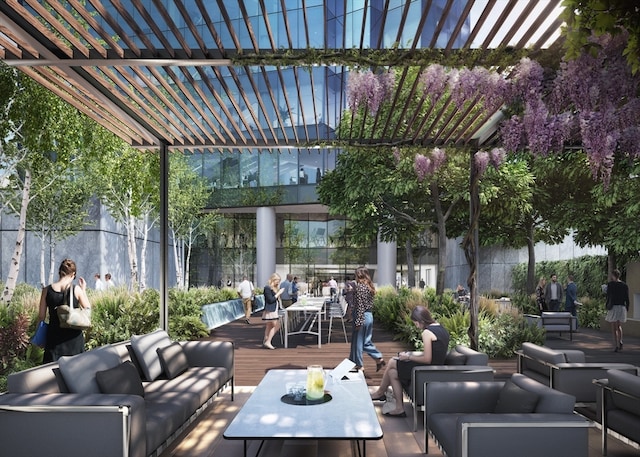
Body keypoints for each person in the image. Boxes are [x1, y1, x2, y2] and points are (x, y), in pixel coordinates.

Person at [369, 306, 450, 417]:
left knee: (393, 361)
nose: (416, 326)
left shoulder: (427, 332)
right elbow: (435, 354)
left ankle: (380, 392)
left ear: (421, 321)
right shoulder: (441, 329)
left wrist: (409, 357)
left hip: (426, 371)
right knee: (392, 373)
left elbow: (427, 359)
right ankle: (399, 408)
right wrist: (409, 355)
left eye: (416, 323)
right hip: (435, 369)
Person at [38, 259, 91, 363]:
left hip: (54, 339)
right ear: (73, 274)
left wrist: (40, 337)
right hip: (74, 340)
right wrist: (83, 290)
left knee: (52, 374)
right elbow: (87, 309)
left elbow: (41, 317)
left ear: (59, 272)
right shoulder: (76, 289)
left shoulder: (46, 290)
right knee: (76, 374)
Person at [349, 266, 384, 373]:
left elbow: (360, 306)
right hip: (369, 316)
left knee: (359, 343)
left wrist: (358, 321)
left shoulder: (360, 287)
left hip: (362, 316)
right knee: (363, 341)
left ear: (359, 275)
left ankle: (359, 365)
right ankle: (356, 362)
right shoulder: (369, 286)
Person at [605, 269, 629, 352]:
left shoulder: (610, 285)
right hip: (621, 306)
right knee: (619, 325)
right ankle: (620, 340)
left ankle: (615, 345)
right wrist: (627, 307)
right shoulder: (624, 285)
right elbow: (627, 297)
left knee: (613, 326)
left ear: (613, 275)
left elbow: (608, 295)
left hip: (613, 306)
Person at [262, 273, 284, 349]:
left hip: (274, 310)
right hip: (271, 310)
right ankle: (268, 341)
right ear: (273, 280)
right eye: (277, 281)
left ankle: (266, 340)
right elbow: (270, 300)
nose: (278, 283)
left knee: (269, 325)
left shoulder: (273, 288)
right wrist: (278, 293)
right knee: (277, 325)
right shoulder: (267, 288)